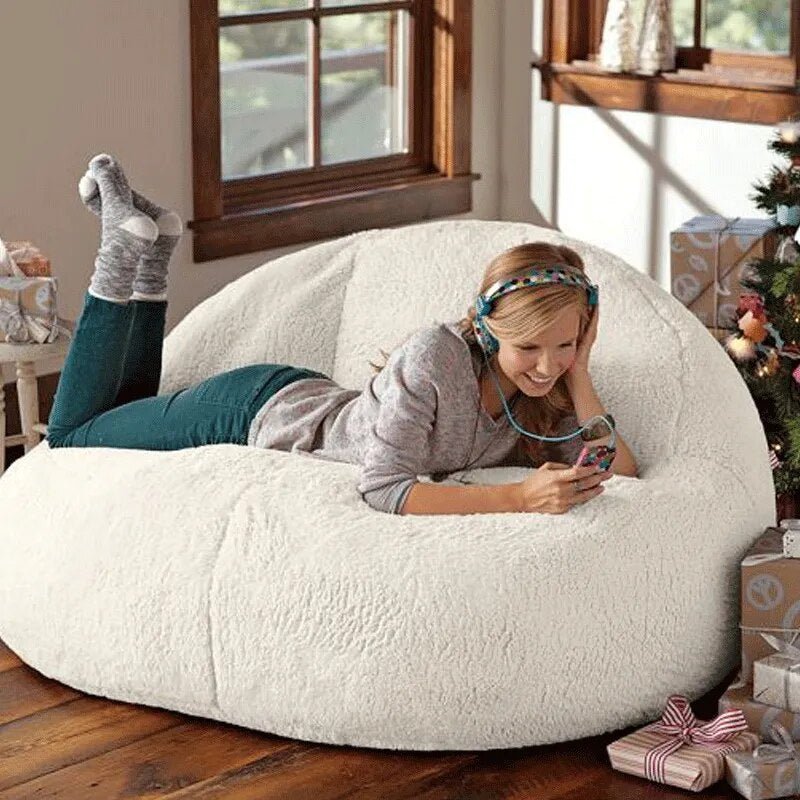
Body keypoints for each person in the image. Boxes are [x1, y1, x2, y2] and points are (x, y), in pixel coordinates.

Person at [47, 153, 637, 517]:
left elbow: (622, 471)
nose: (546, 365)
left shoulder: (544, 393)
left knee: (121, 414)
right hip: (254, 412)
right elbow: (384, 489)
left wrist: (581, 372)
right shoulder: (436, 358)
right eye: (528, 347)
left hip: (309, 398)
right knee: (73, 435)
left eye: (564, 344)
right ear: (488, 329)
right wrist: (517, 498)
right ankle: (122, 253)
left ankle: (153, 254)